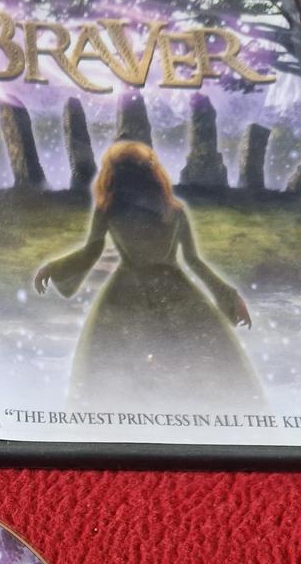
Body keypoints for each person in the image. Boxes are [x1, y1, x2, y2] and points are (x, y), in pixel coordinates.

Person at [34, 141, 265, 411]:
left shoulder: (108, 209)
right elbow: (194, 261)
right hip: (176, 291)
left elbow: (90, 253)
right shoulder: (174, 210)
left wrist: (53, 268)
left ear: (113, 174)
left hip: (124, 295)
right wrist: (230, 297)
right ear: (151, 173)